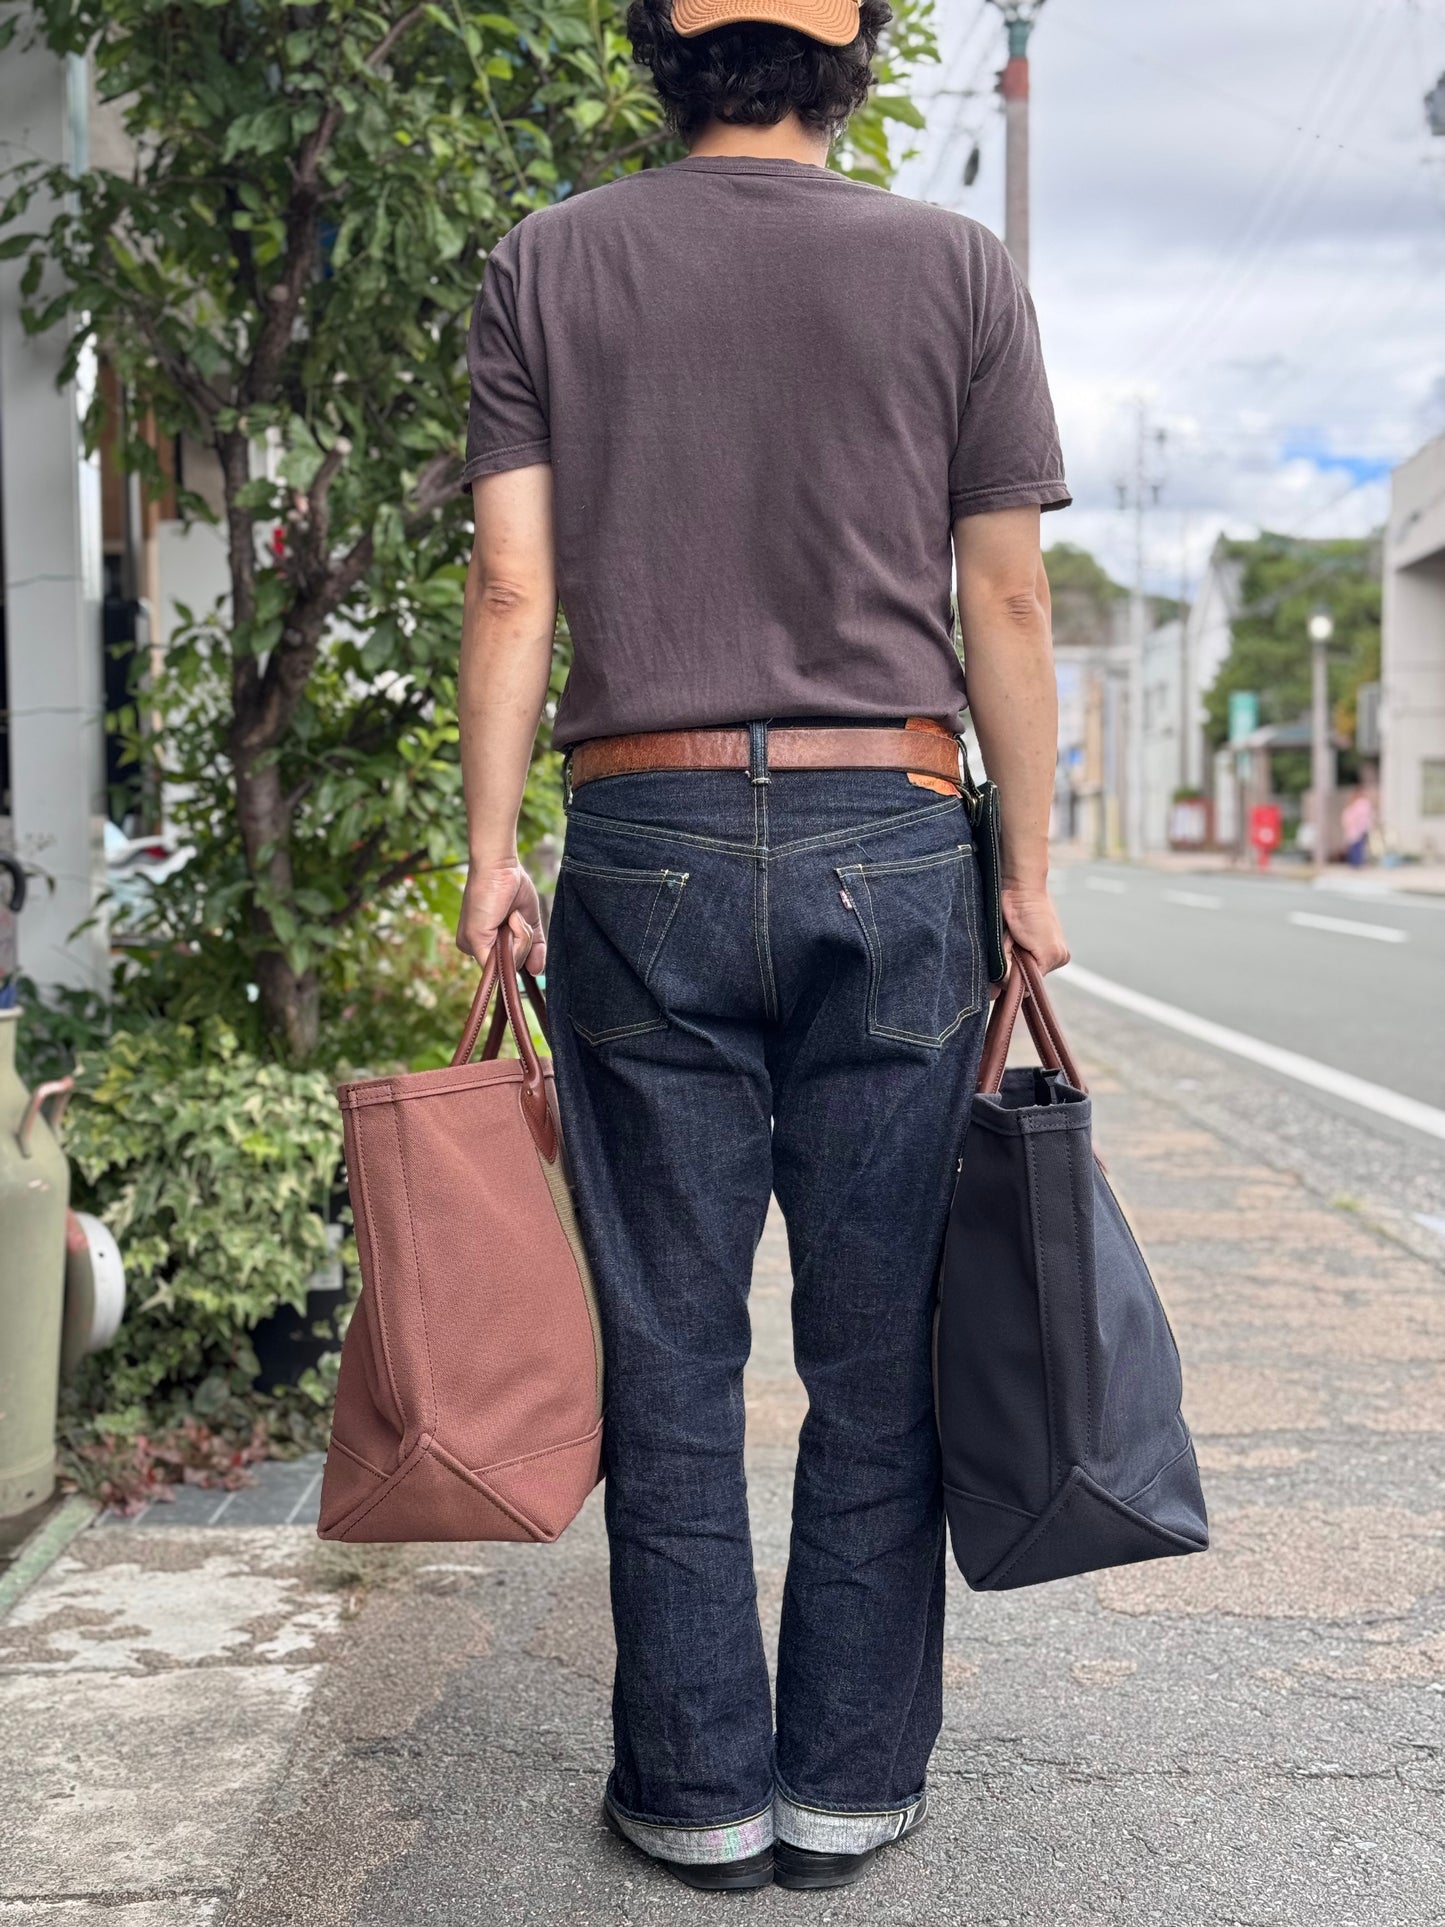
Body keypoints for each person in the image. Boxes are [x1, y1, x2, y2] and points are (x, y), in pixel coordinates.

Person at [454, 0, 1070, 1895]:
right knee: (878, 1344)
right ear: (850, 60)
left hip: (638, 841)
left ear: (663, 54)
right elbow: (1010, 596)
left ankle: (697, 1790)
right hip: (891, 827)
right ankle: (849, 1787)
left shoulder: (549, 260)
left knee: (670, 1340)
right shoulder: (954, 270)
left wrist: (489, 855)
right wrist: (1027, 872)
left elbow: (513, 584)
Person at [1342, 788, 1374, 868]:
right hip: (1359, 829)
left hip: (1357, 829)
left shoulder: (1356, 805)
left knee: (1356, 847)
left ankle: (1355, 863)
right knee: (1358, 847)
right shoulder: (1362, 804)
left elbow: (1351, 818)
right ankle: (1357, 863)